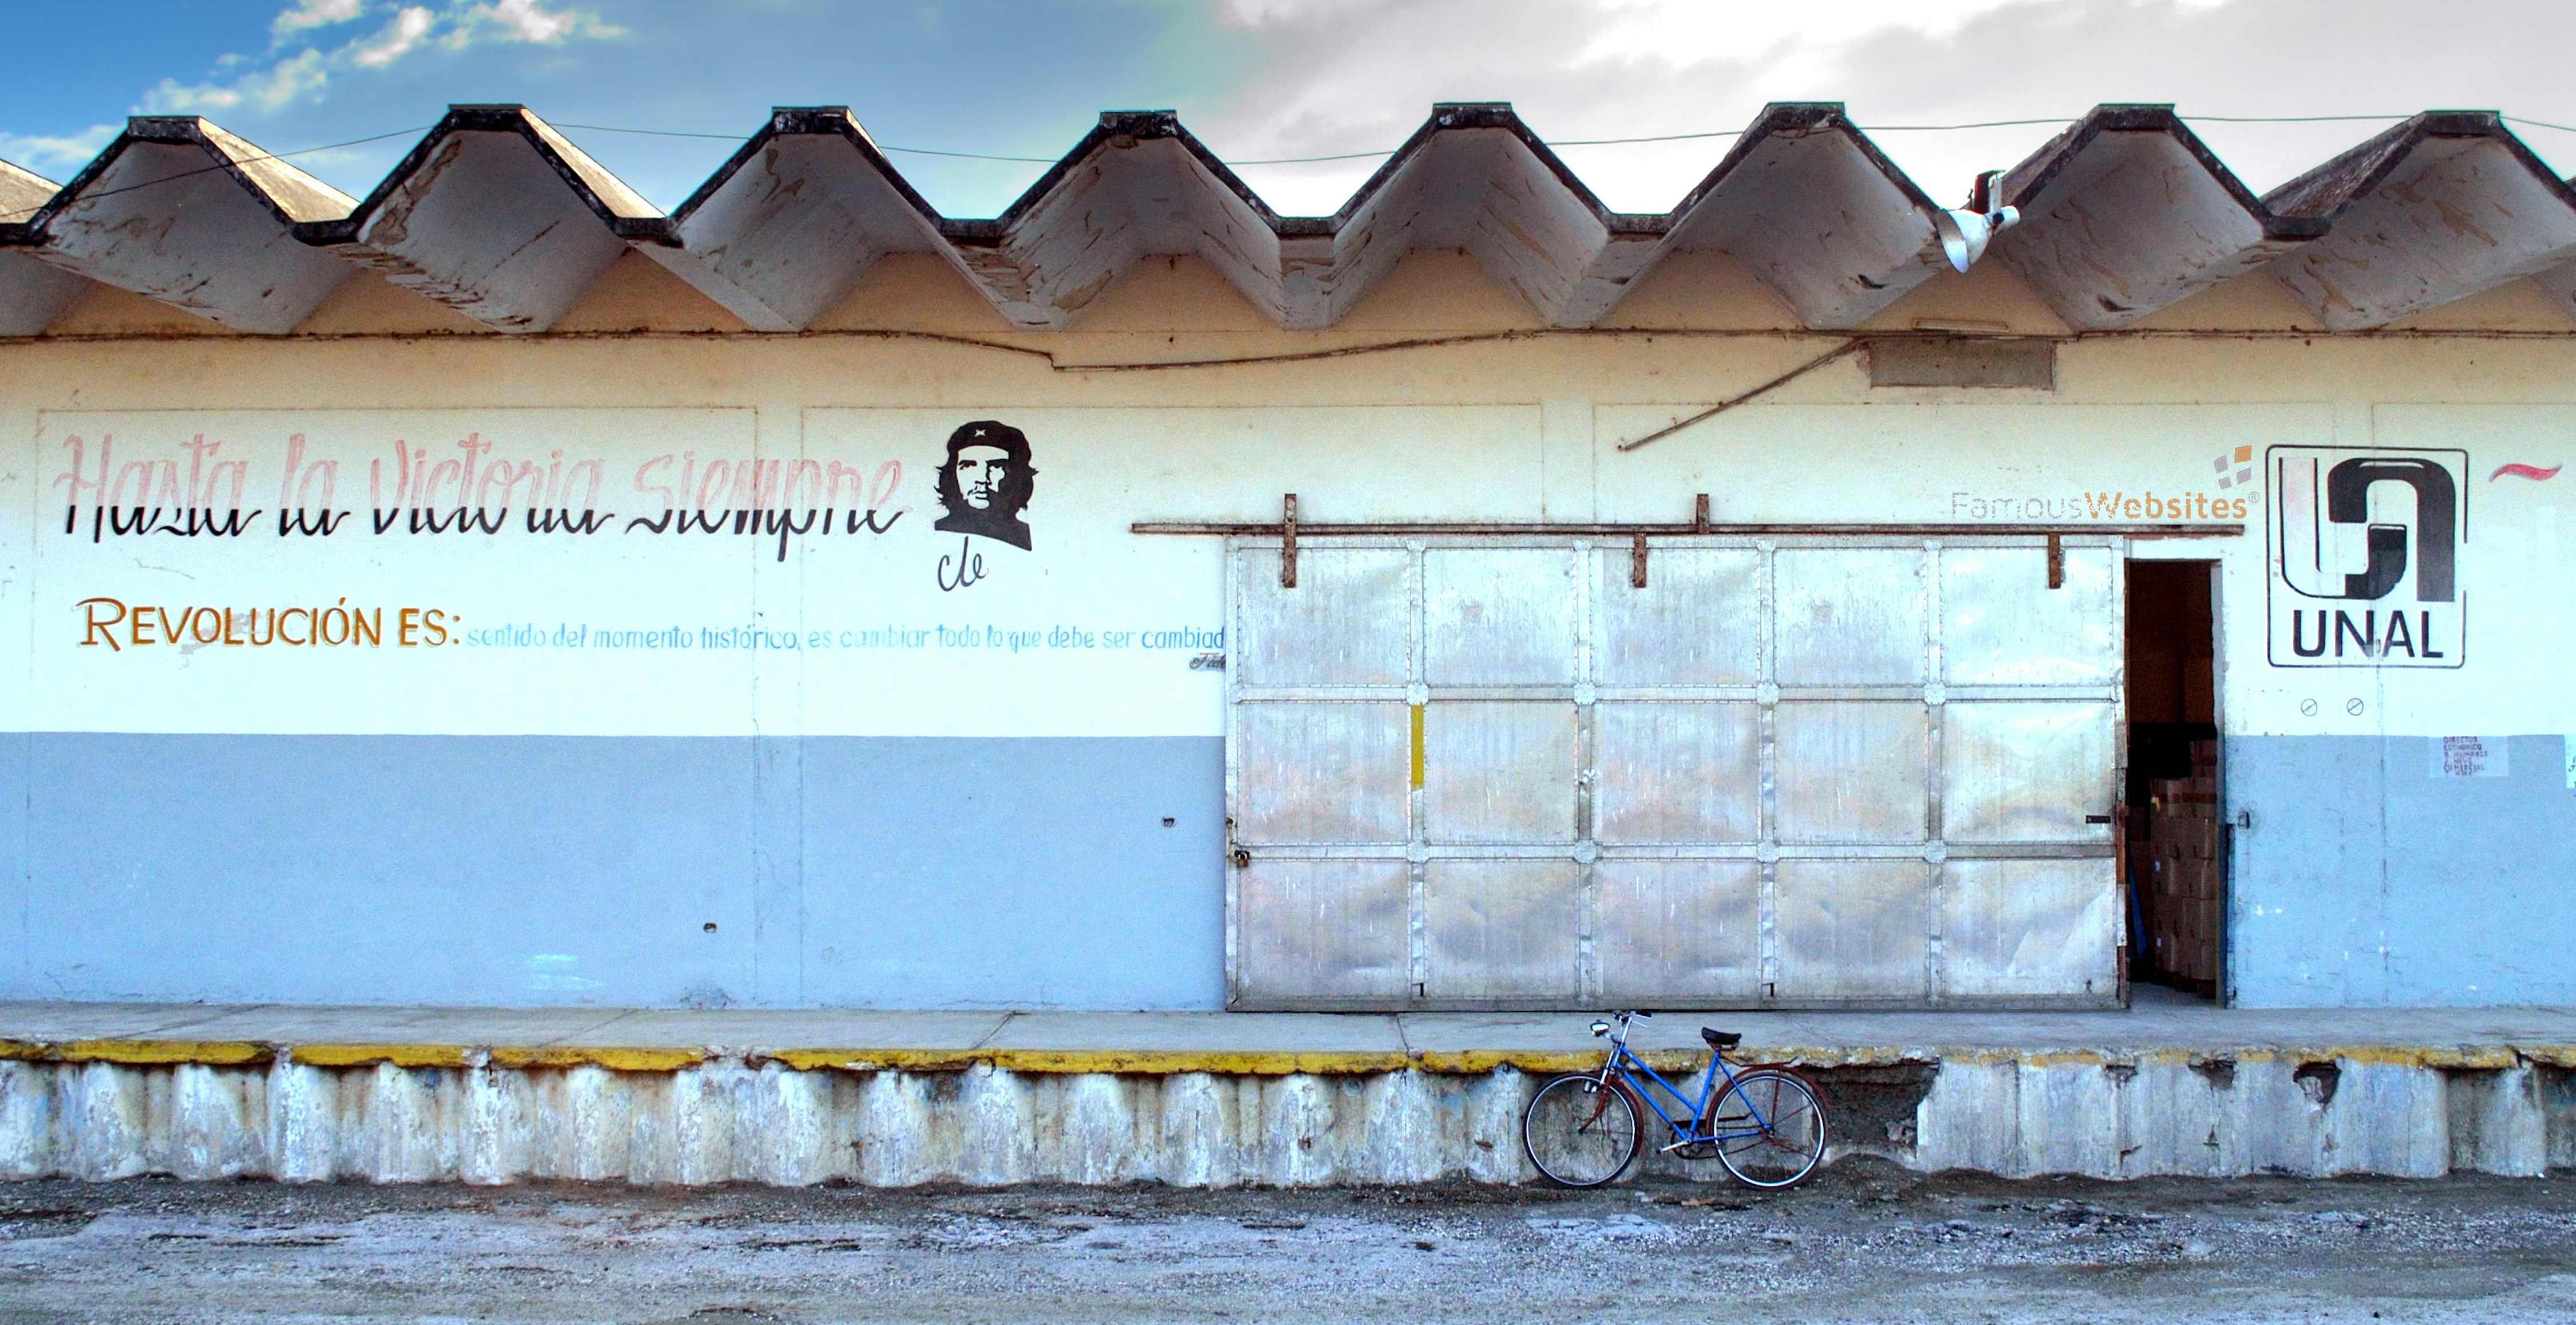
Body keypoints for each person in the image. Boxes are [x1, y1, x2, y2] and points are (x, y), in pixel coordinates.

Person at [933, 420, 1036, 550]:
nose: (982, 479)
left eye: (996, 466)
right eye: (969, 466)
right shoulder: (938, 532)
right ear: (952, 474)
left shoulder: (1023, 535)